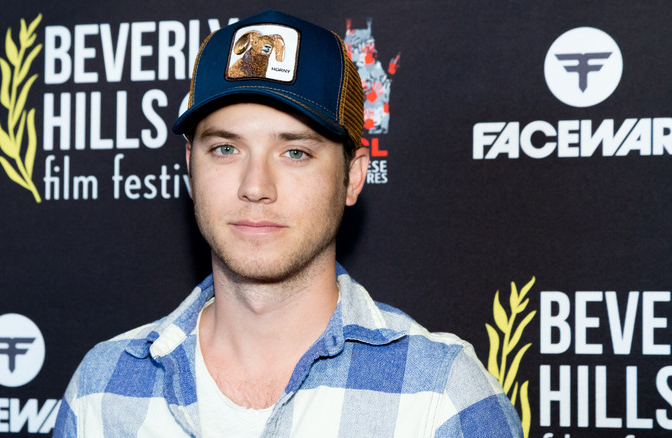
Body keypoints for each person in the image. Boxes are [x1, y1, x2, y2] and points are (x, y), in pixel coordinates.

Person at [53, 10, 523, 437]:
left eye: (295, 152)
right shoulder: (104, 387)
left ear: (352, 177)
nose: (256, 186)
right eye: (225, 149)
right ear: (191, 169)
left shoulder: (440, 396)